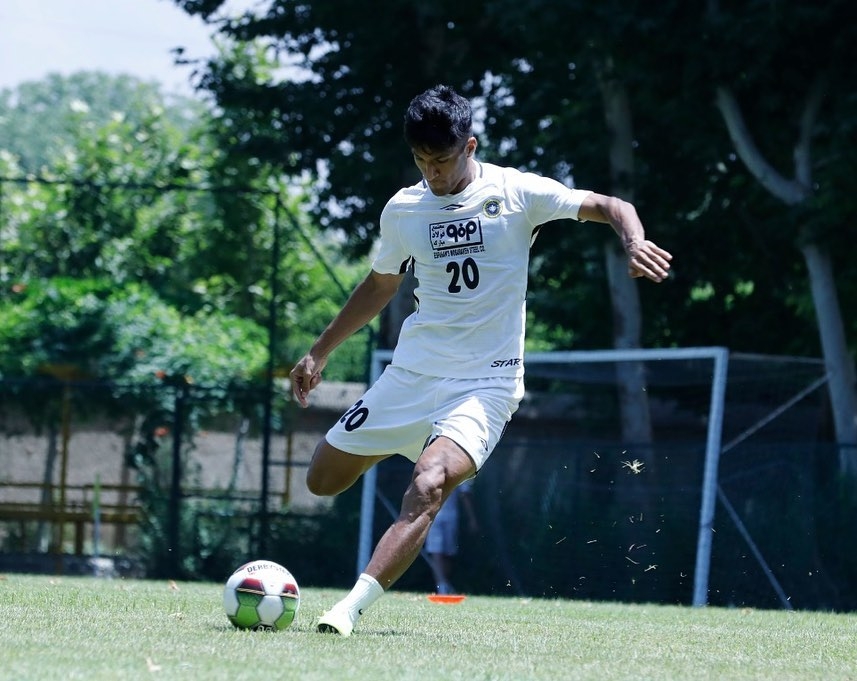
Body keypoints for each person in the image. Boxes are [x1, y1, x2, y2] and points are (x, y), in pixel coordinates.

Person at [289, 84, 672, 636]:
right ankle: (407, 439)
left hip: (484, 384)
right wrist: (318, 351)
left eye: (442, 160)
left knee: (428, 483)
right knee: (322, 481)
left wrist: (633, 241)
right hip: (411, 375)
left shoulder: (516, 192)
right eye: (421, 160)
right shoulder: (405, 209)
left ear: (469, 146)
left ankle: (348, 609)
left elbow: (612, 206)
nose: (432, 173)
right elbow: (379, 285)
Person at [426, 478, 477, 595]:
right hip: (433, 517)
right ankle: (441, 587)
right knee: (436, 552)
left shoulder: (458, 470)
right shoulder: (430, 469)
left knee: (448, 554)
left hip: (451, 517)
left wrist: (472, 519)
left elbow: (464, 493)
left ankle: (445, 584)